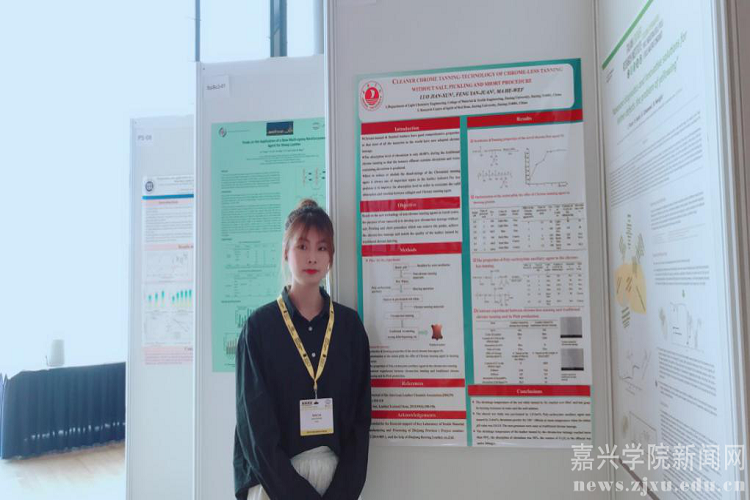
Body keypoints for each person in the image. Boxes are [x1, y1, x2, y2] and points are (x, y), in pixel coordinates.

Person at [233, 199, 371, 500]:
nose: (312, 257)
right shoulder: (259, 328)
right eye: (302, 246)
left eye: (322, 248)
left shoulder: (349, 327)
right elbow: (254, 429)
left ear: (331, 256)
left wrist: (342, 494)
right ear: (286, 252)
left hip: (336, 484)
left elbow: (361, 423)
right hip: (275, 486)